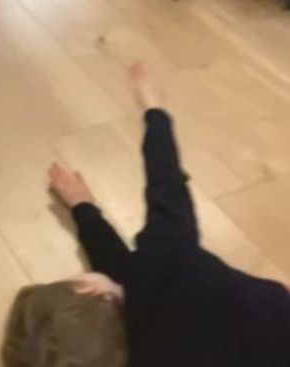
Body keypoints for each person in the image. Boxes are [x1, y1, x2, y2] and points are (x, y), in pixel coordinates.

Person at [45, 63, 290, 367]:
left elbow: (115, 267)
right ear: (95, 290)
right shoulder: (169, 259)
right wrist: (154, 110)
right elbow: (166, 184)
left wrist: (82, 207)